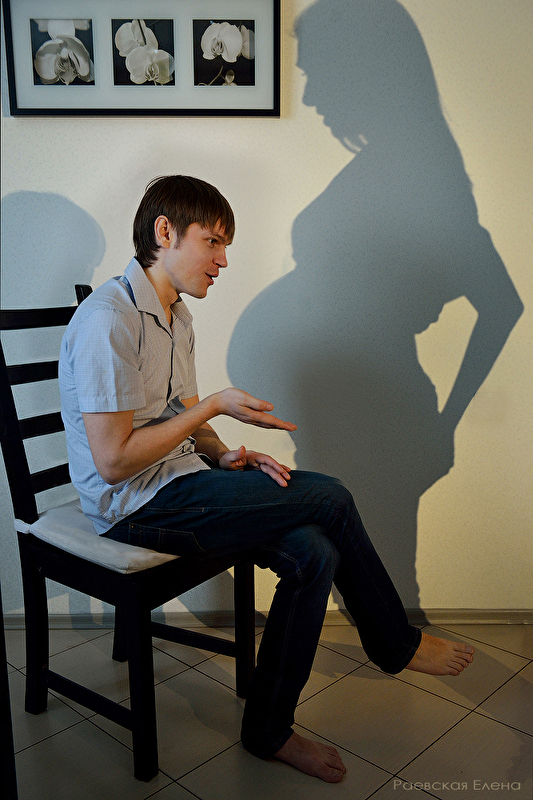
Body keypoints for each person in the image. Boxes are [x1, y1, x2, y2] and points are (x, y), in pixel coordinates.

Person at [59, 175, 474, 784]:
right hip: (133, 504)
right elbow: (114, 462)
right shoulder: (107, 320)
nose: (224, 261)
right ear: (165, 233)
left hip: (179, 481)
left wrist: (225, 453)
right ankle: (395, 644)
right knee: (331, 496)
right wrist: (215, 406)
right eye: (213, 242)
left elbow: (180, 414)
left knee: (314, 552)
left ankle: (268, 730)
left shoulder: (176, 316)